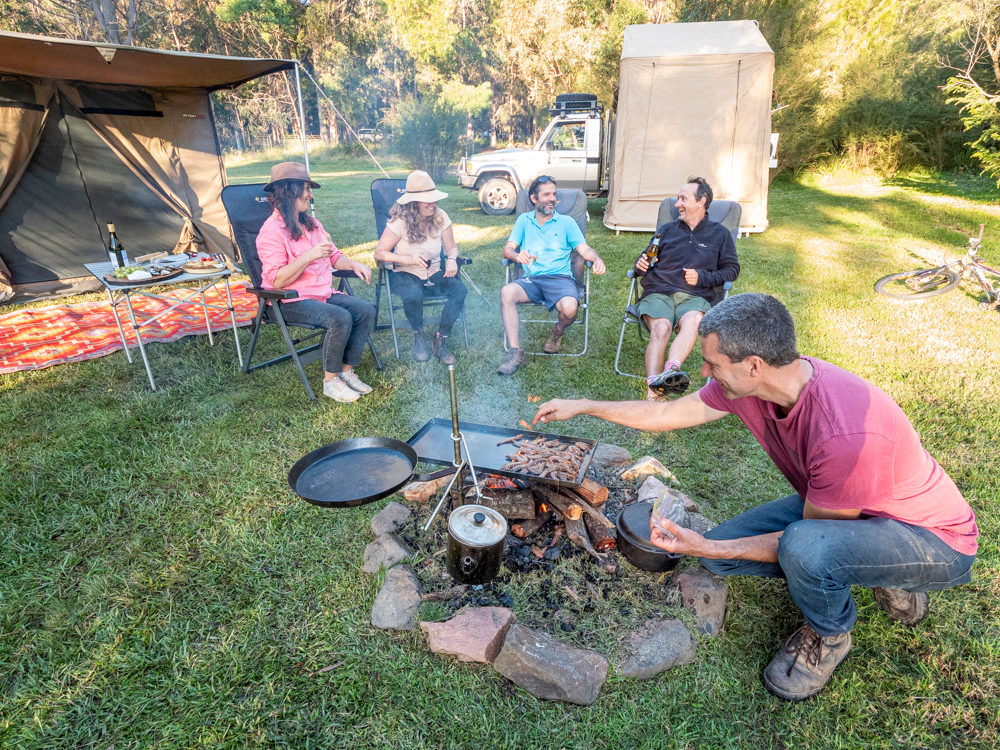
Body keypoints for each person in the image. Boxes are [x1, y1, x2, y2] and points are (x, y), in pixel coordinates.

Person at [532, 293, 977, 701]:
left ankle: (830, 633)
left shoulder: (843, 434)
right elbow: (665, 413)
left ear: (754, 365)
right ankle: (867, 564)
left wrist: (702, 543)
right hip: (855, 510)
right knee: (723, 559)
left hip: (932, 539)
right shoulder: (752, 386)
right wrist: (584, 404)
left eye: (712, 364)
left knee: (804, 548)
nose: (703, 372)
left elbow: (805, 536)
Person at [256, 161, 376, 403]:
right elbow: (276, 280)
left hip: (321, 293)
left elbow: (333, 255)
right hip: (289, 299)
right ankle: (330, 381)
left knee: (365, 310)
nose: (311, 195)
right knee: (339, 317)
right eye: (306, 189)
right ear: (288, 191)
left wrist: (353, 264)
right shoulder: (271, 231)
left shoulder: (311, 224)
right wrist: (308, 256)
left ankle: (346, 371)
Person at [634, 177, 739, 400]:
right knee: (661, 328)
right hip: (658, 291)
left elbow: (731, 270)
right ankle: (653, 388)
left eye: (683, 199)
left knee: (694, 321)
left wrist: (703, 277)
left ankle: (671, 371)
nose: (677, 204)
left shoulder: (719, 234)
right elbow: (645, 260)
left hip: (695, 295)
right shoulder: (667, 230)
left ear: (701, 201)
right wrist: (640, 265)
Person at [497, 176, 606, 375]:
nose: (552, 199)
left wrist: (596, 259)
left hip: (560, 279)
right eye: (546, 194)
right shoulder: (524, 221)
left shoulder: (567, 222)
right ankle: (515, 354)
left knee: (571, 309)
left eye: (554, 194)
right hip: (532, 279)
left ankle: (557, 332)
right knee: (507, 292)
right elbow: (507, 250)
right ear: (533, 198)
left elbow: (584, 249)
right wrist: (515, 255)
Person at [373, 170, 467, 364]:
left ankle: (440, 338)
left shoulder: (441, 216)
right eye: (427, 200)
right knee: (413, 294)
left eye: (434, 199)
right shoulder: (399, 221)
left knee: (459, 289)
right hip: (405, 273)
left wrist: (451, 259)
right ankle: (418, 335)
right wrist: (408, 259)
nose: (432, 204)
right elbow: (379, 253)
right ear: (413, 202)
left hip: (433, 272)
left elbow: (451, 247)